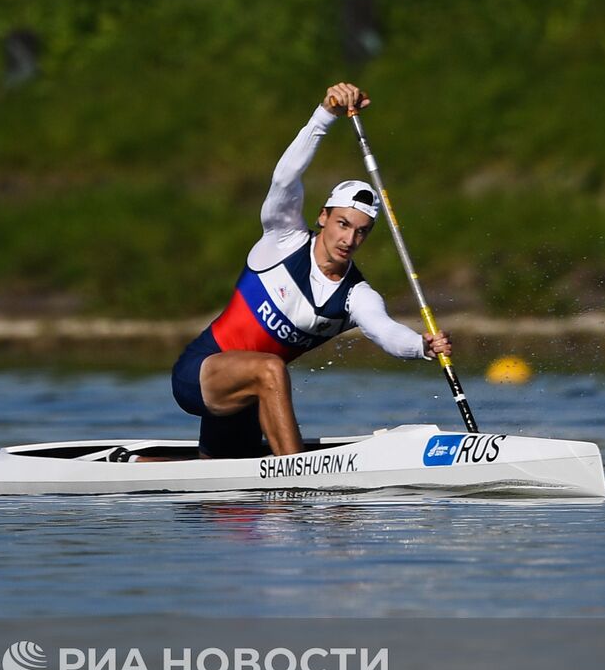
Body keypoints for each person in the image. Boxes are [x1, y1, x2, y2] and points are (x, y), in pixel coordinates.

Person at [171, 82, 452, 459]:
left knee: (224, 483)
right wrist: (325, 116)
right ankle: (295, 477)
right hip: (200, 374)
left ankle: (137, 468)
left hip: (252, 398)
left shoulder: (356, 296)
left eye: (361, 231)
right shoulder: (282, 240)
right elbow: (285, 178)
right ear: (323, 217)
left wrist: (422, 346)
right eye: (342, 224)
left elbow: (386, 332)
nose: (349, 238)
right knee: (271, 369)